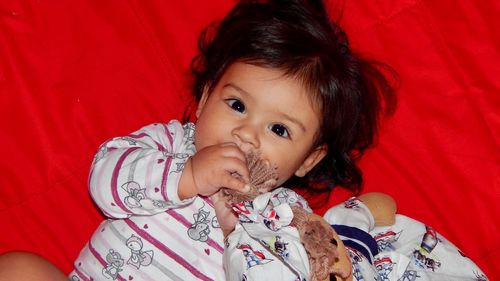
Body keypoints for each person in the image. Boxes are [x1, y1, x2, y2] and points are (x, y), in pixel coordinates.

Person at [0, 0, 396, 280]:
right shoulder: (170, 144)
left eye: (279, 129)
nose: (247, 133)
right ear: (206, 98)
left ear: (309, 159)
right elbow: (105, 180)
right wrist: (186, 175)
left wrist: (242, 243)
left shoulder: (285, 217)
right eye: (237, 105)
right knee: (17, 268)